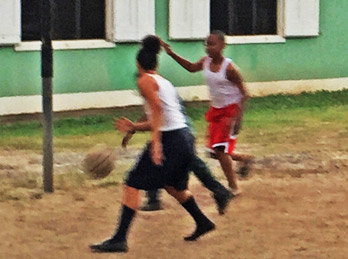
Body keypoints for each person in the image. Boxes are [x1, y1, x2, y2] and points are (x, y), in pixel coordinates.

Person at [90, 36, 215, 253]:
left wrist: (156, 143)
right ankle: (202, 221)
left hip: (171, 140)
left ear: (138, 64)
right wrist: (135, 127)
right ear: (155, 64)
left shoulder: (144, 81)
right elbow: (164, 116)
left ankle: (119, 239)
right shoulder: (163, 82)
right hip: (183, 137)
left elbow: (157, 111)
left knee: (132, 182)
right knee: (172, 185)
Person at [163, 31, 253, 196]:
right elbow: (190, 68)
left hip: (230, 110)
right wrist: (171, 53)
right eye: (207, 44)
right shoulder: (206, 62)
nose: (208, 48)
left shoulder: (230, 68)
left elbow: (245, 93)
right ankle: (245, 158)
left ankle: (234, 187)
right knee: (214, 152)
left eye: (212, 44)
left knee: (219, 150)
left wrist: (237, 118)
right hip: (216, 110)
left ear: (222, 46)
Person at [121, 94, 235, 214]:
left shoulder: (156, 90)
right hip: (181, 131)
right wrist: (133, 129)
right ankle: (220, 191)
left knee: (163, 159)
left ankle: (154, 200)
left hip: (177, 132)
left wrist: (134, 127)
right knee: (189, 162)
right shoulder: (160, 89)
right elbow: (150, 114)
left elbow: (158, 118)